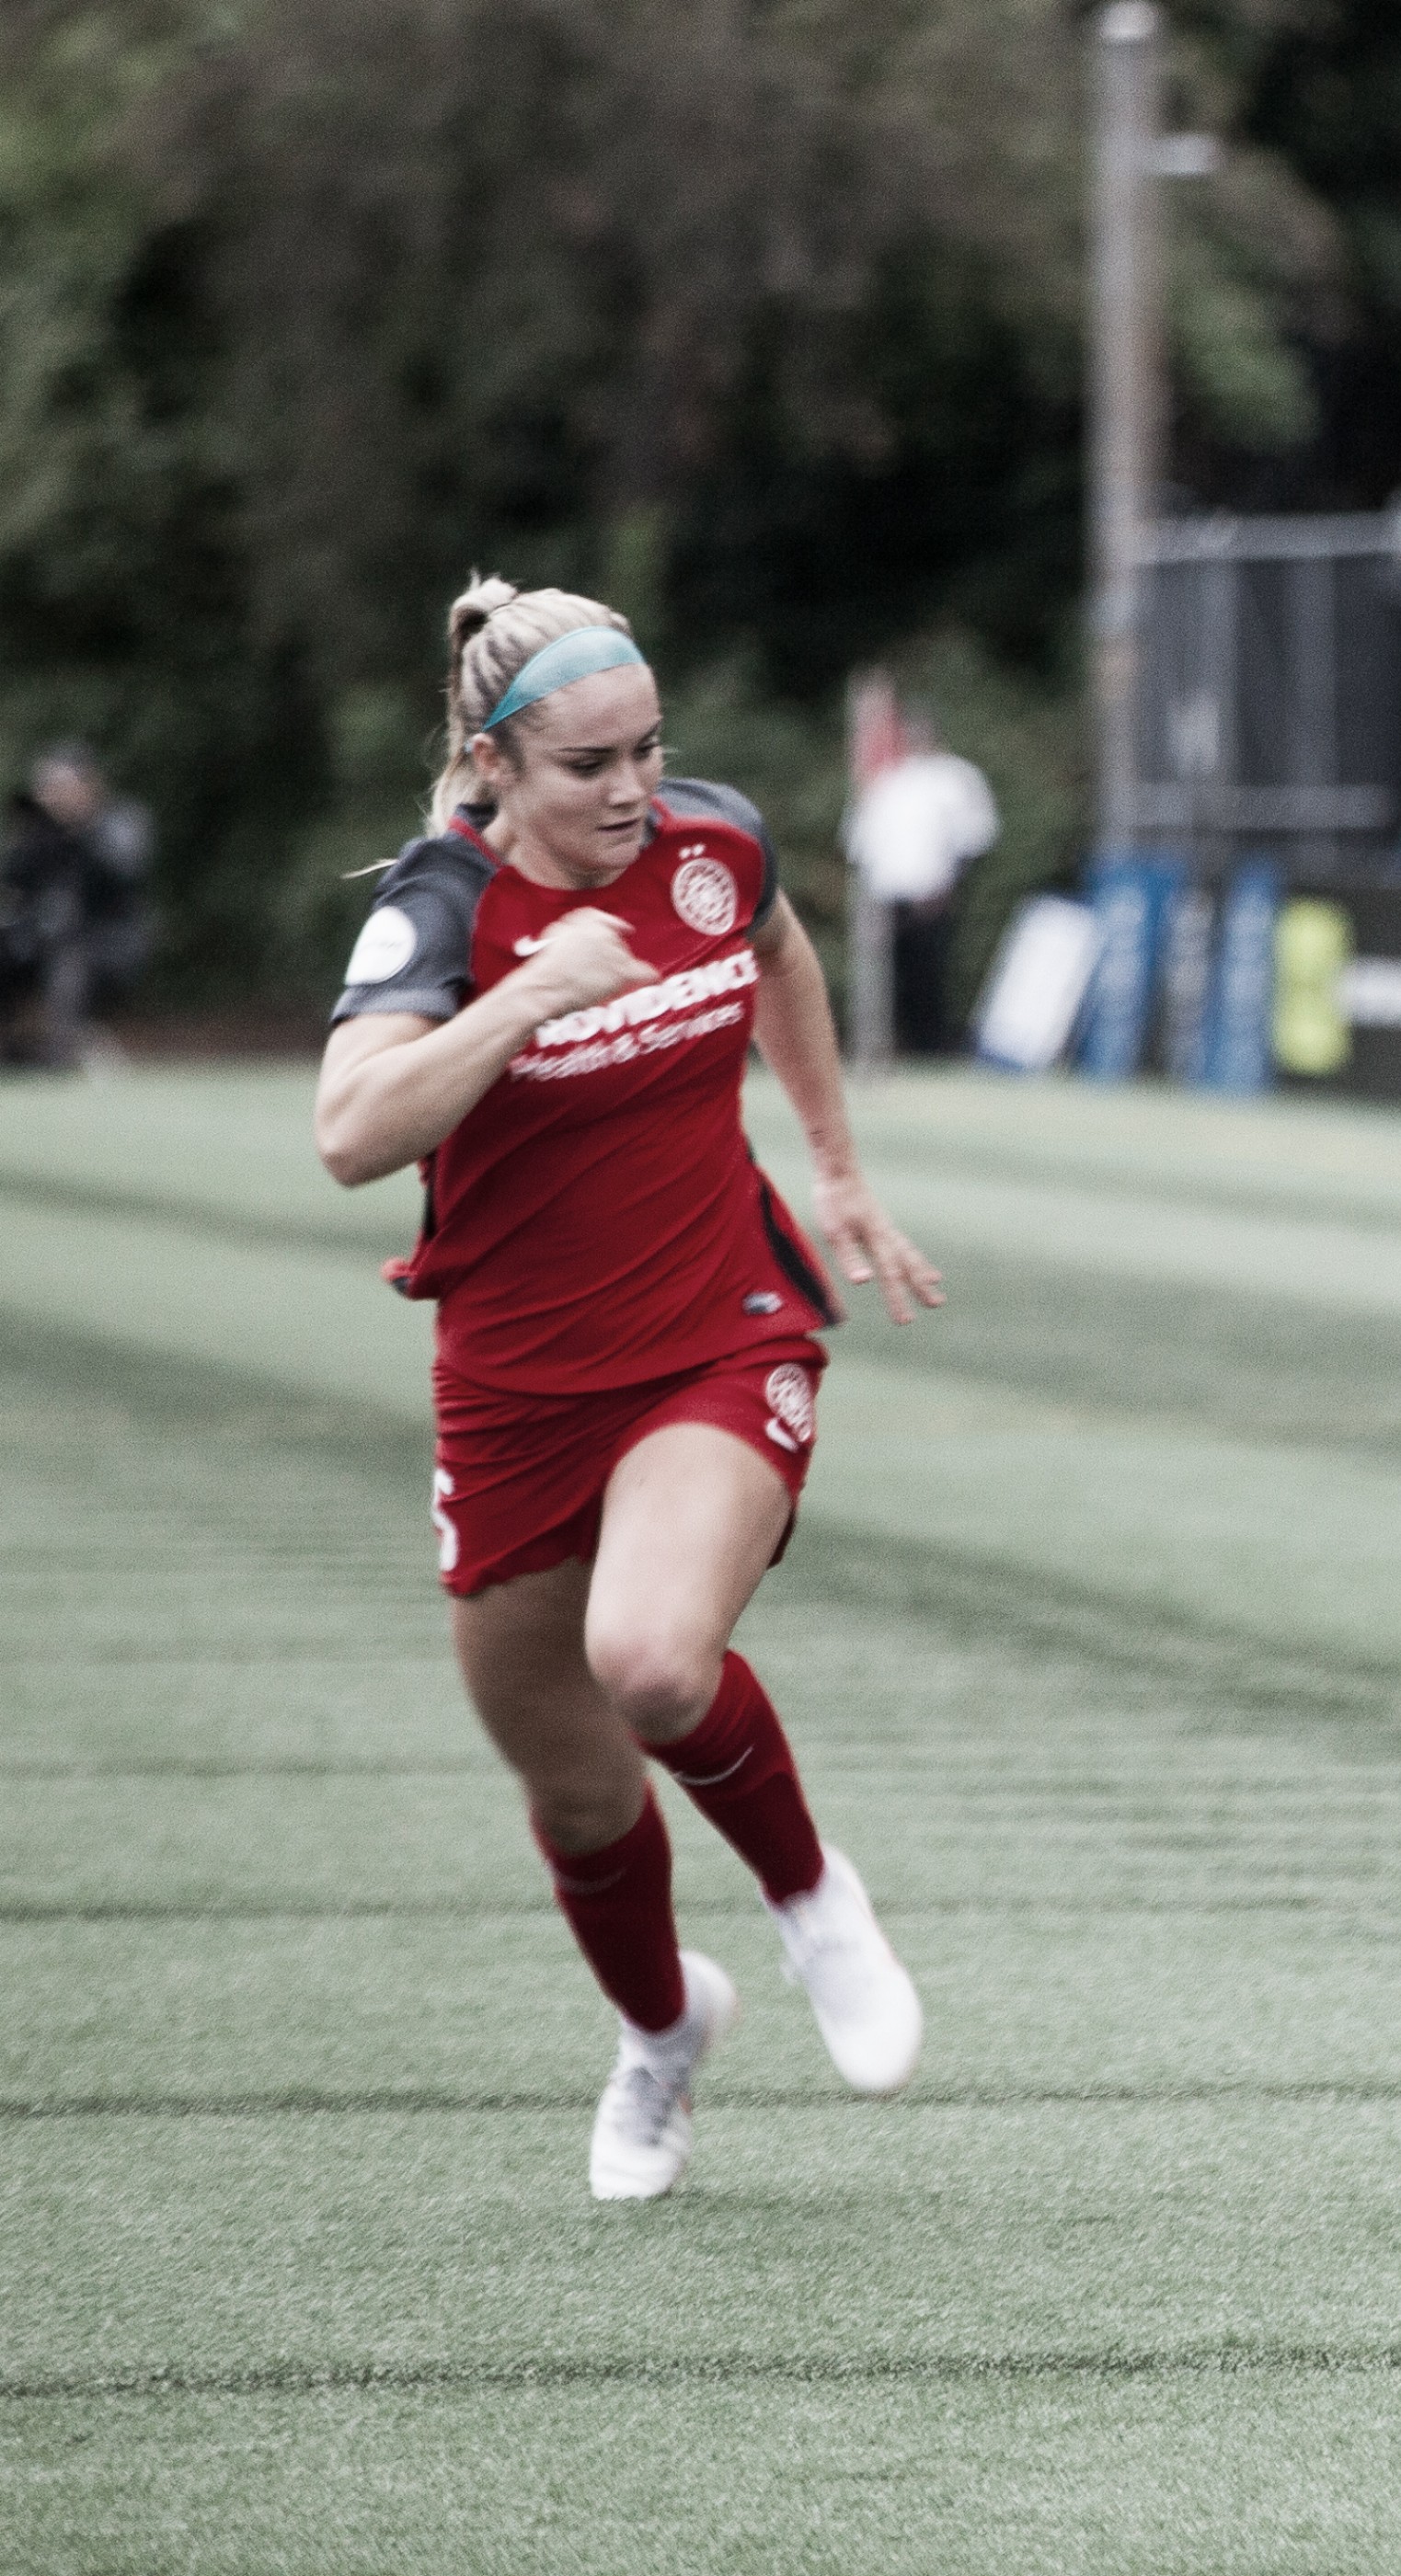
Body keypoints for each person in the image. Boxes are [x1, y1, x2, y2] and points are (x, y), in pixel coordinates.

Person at [312, 579, 936, 2203]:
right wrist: (524, 998)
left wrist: (838, 1167)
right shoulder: (438, 910)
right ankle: (663, 2032)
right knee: (581, 1790)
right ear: (496, 766)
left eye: (648, 751)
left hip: (718, 1330)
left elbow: (779, 950)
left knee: (652, 1662)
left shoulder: (711, 846)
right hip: (516, 1395)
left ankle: (814, 1905)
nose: (631, 791)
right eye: (589, 763)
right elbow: (351, 1135)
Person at [844, 709, 998, 1055]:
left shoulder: (954, 777)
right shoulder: (886, 778)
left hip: (932, 891)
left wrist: (951, 881)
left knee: (930, 974)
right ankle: (896, 1044)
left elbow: (974, 835)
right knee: (888, 976)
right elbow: (859, 838)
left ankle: (931, 1045)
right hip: (885, 893)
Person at [3, 744, 154, 1065]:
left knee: (69, 963)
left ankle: (62, 1054)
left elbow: (124, 870)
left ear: (87, 787)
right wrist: (31, 831)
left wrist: (81, 827)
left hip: (107, 942)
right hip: (46, 938)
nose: (50, 796)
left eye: (59, 787)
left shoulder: (119, 821)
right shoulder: (41, 830)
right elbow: (15, 877)